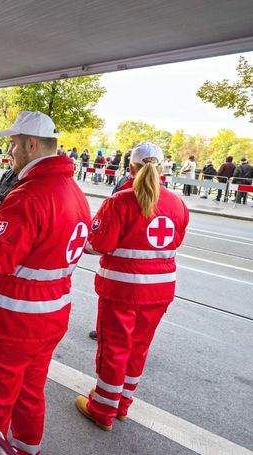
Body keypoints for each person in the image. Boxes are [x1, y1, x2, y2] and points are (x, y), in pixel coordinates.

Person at [0, 111, 91, 455]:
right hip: (49, 318)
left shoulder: (30, 194)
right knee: (30, 396)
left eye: (13, 143)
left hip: (12, 323)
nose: (8, 151)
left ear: (31, 145)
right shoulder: (75, 192)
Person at [76, 142, 189, 431]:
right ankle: (122, 405)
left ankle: (102, 408)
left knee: (114, 348)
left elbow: (96, 244)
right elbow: (176, 242)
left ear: (131, 168)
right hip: (160, 291)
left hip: (122, 290)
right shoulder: (178, 204)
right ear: (163, 168)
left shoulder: (120, 201)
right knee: (139, 348)